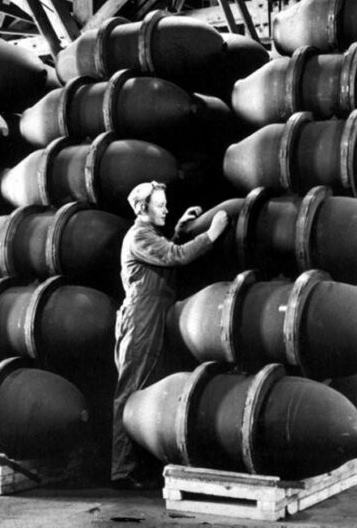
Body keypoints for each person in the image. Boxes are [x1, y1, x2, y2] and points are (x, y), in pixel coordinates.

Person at [111, 180, 229, 490]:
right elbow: (175, 257)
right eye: (160, 204)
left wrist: (177, 230)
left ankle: (139, 466)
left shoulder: (149, 235)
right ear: (142, 209)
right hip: (141, 320)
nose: (165, 207)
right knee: (132, 390)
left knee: (148, 391)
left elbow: (165, 255)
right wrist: (211, 234)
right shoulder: (138, 236)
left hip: (154, 317)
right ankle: (122, 470)